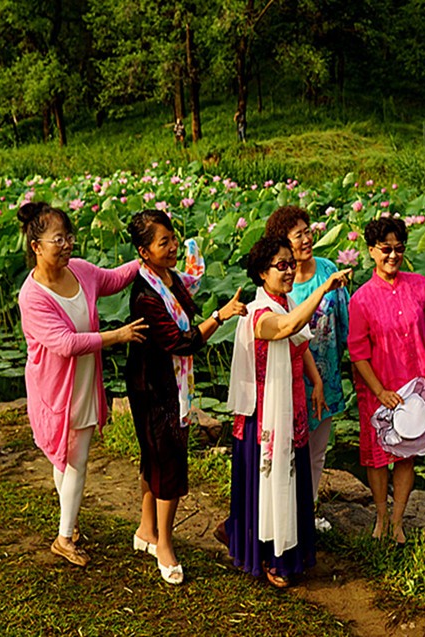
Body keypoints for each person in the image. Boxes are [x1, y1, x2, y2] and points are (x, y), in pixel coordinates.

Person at [17, 201, 147, 567]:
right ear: (36, 246)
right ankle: (64, 537)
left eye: (69, 237)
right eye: (58, 239)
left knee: (69, 458)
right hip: (56, 389)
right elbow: (65, 343)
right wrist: (118, 335)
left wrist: (147, 258)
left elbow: (114, 278)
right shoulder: (32, 296)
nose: (67, 245)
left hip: (85, 382)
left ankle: (68, 523)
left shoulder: (80, 271)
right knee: (75, 460)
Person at [125, 210, 247, 585]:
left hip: (163, 383)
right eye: (164, 243)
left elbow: (188, 300)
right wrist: (220, 316)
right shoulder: (145, 295)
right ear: (144, 251)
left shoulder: (169, 277)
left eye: (173, 239)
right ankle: (164, 544)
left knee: (155, 457)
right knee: (168, 462)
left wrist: (194, 250)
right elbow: (182, 342)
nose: (173, 247)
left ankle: (146, 530)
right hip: (154, 387)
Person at [224, 236, 351, 587]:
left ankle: (277, 548)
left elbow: (300, 342)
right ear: (262, 273)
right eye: (281, 266)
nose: (290, 271)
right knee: (272, 482)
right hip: (265, 416)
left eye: (291, 264)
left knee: (292, 479)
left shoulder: (286, 302)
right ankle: (269, 556)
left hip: (290, 406)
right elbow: (289, 327)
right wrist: (323, 287)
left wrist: (317, 381)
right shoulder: (260, 314)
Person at [347, 217, 425, 545]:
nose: (393, 255)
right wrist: (379, 391)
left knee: (408, 454)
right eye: (386, 249)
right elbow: (357, 352)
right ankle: (380, 518)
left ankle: (397, 520)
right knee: (378, 457)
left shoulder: (419, 285)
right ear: (371, 251)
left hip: (415, 383)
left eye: (399, 249)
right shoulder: (361, 298)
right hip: (378, 386)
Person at [265, 206, 349, 531]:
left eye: (308, 231)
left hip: (325, 376)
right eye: (298, 234)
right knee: (287, 451)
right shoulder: (281, 285)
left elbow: (345, 320)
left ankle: (307, 513)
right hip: (290, 378)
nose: (307, 239)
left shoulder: (328, 269)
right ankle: (282, 515)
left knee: (316, 452)